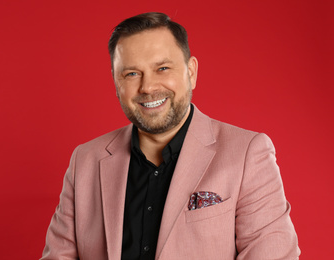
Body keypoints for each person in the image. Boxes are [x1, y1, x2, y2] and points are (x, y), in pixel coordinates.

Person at [41, 12, 300, 260]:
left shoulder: (248, 153)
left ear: (191, 72)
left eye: (163, 68)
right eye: (132, 73)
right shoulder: (85, 160)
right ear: (116, 82)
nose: (148, 87)